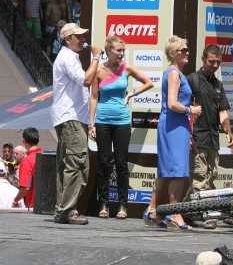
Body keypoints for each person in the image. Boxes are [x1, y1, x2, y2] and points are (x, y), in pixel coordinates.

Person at [88, 36, 153, 219]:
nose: (122, 53)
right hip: (102, 120)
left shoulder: (127, 68)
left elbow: (149, 82)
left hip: (123, 121)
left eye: (123, 50)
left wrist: (132, 94)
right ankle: (103, 204)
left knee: (121, 163)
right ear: (108, 51)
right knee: (103, 162)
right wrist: (91, 124)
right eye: (118, 50)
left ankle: (123, 205)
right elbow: (93, 97)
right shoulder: (99, 70)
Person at [51, 22, 101, 225]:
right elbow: (86, 81)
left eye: (82, 36)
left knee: (68, 164)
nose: (82, 39)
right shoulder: (67, 57)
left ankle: (62, 208)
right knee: (77, 163)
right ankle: (66, 210)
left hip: (71, 118)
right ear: (67, 39)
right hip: (69, 118)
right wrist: (96, 57)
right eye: (77, 36)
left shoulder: (69, 57)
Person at [154, 36, 201, 230]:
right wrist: (191, 110)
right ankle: (174, 213)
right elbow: (172, 103)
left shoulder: (175, 73)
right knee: (178, 171)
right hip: (173, 124)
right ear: (174, 54)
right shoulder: (173, 73)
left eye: (187, 49)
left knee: (172, 171)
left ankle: (158, 211)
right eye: (183, 50)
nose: (188, 53)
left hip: (176, 125)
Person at [189, 45, 233, 191]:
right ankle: (197, 211)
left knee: (212, 176)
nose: (215, 65)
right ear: (203, 60)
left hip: (213, 140)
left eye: (218, 62)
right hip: (197, 138)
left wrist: (228, 132)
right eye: (211, 61)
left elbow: (223, 111)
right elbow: (181, 108)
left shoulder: (218, 84)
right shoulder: (192, 79)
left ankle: (205, 210)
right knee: (199, 177)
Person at [12, 128, 43, 209]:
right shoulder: (45, 156)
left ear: (24, 141)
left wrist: (16, 200)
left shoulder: (27, 160)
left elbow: (25, 187)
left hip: (33, 206)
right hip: (50, 204)